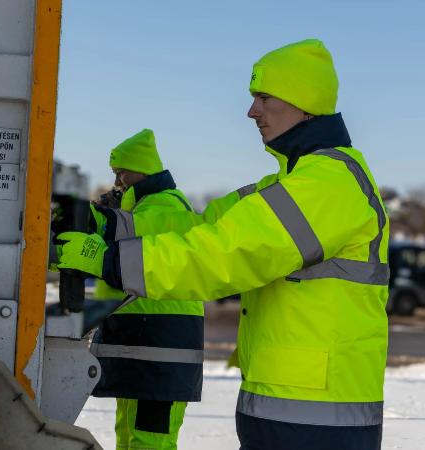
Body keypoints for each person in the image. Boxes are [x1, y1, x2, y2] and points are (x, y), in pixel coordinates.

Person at [57, 39, 390, 450]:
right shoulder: (285, 185)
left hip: (316, 416)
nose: (252, 111)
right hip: (291, 405)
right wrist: (103, 224)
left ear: (303, 101)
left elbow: (223, 253)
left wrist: (111, 262)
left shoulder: (328, 185)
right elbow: (193, 226)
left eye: (264, 97)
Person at [88, 129, 204, 450]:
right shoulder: (145, 207)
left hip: (161, 353)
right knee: (129, 437)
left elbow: (127, 241)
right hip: (144, 349)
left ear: (143, 169)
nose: (118, 181)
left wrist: (104, 218)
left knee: (149, 442)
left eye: (122, 172)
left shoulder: (165, 206)